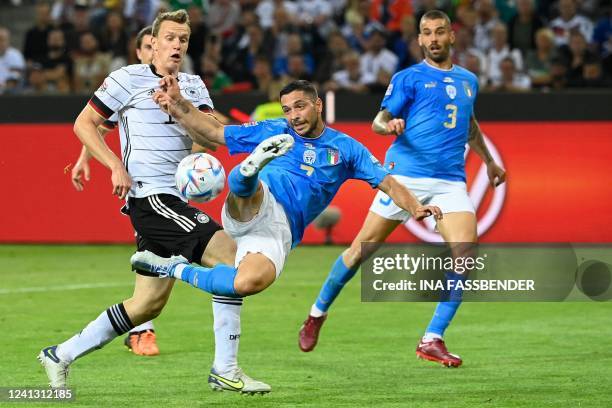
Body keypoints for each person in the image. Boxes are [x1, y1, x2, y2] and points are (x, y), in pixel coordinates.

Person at [130, 80, 442, 384]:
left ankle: (171, 267)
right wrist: (179, 104)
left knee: (247, 282)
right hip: (259, 201)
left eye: (300, 107)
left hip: (280, 230)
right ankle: (249, 170)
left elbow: (387, 181)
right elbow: (213, 131)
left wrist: (415, 208)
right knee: (247, 185)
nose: (293, 115)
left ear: (317, 105)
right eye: (287, 109)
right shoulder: (277, 129)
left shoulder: (346, 149)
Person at [39, 10, 270, 395]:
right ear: (154, 43)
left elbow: (212, 138)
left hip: (175, 198)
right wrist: (114, 165)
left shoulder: (194, 86)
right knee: (231, 259)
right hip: (151, 197)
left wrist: (179, 108)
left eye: (183, 39)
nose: (177, 45)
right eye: (170, 38)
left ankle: (60, 354)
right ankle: (225, 369)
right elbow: (84, 123)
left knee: (146, 305)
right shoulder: (126, 79)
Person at [298, 10, 506, 367]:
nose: (434, 39)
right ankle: (317, 313)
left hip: (450, 181)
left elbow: (469, 123)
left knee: (466, 254)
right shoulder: (408, 78)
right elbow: (378, 120)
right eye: (427, 33)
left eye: (440, 32)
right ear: (420, 40)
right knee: (360, 251)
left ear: (452, 36)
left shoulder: (469, 80)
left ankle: (432, 339)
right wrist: (389, 125)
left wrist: (488, 159)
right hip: (404, 177)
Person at [70, 25, 163, 357]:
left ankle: (140, 326)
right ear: (139, 53)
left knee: (162, 258)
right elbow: (98, 124)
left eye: (160, 44)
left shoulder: (179, 86)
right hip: (141, 186)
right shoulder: (130, 83)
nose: (156, 51)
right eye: (149, 46)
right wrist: (87, 160)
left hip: (174, 184)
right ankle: (142, 330)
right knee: (153, 253)